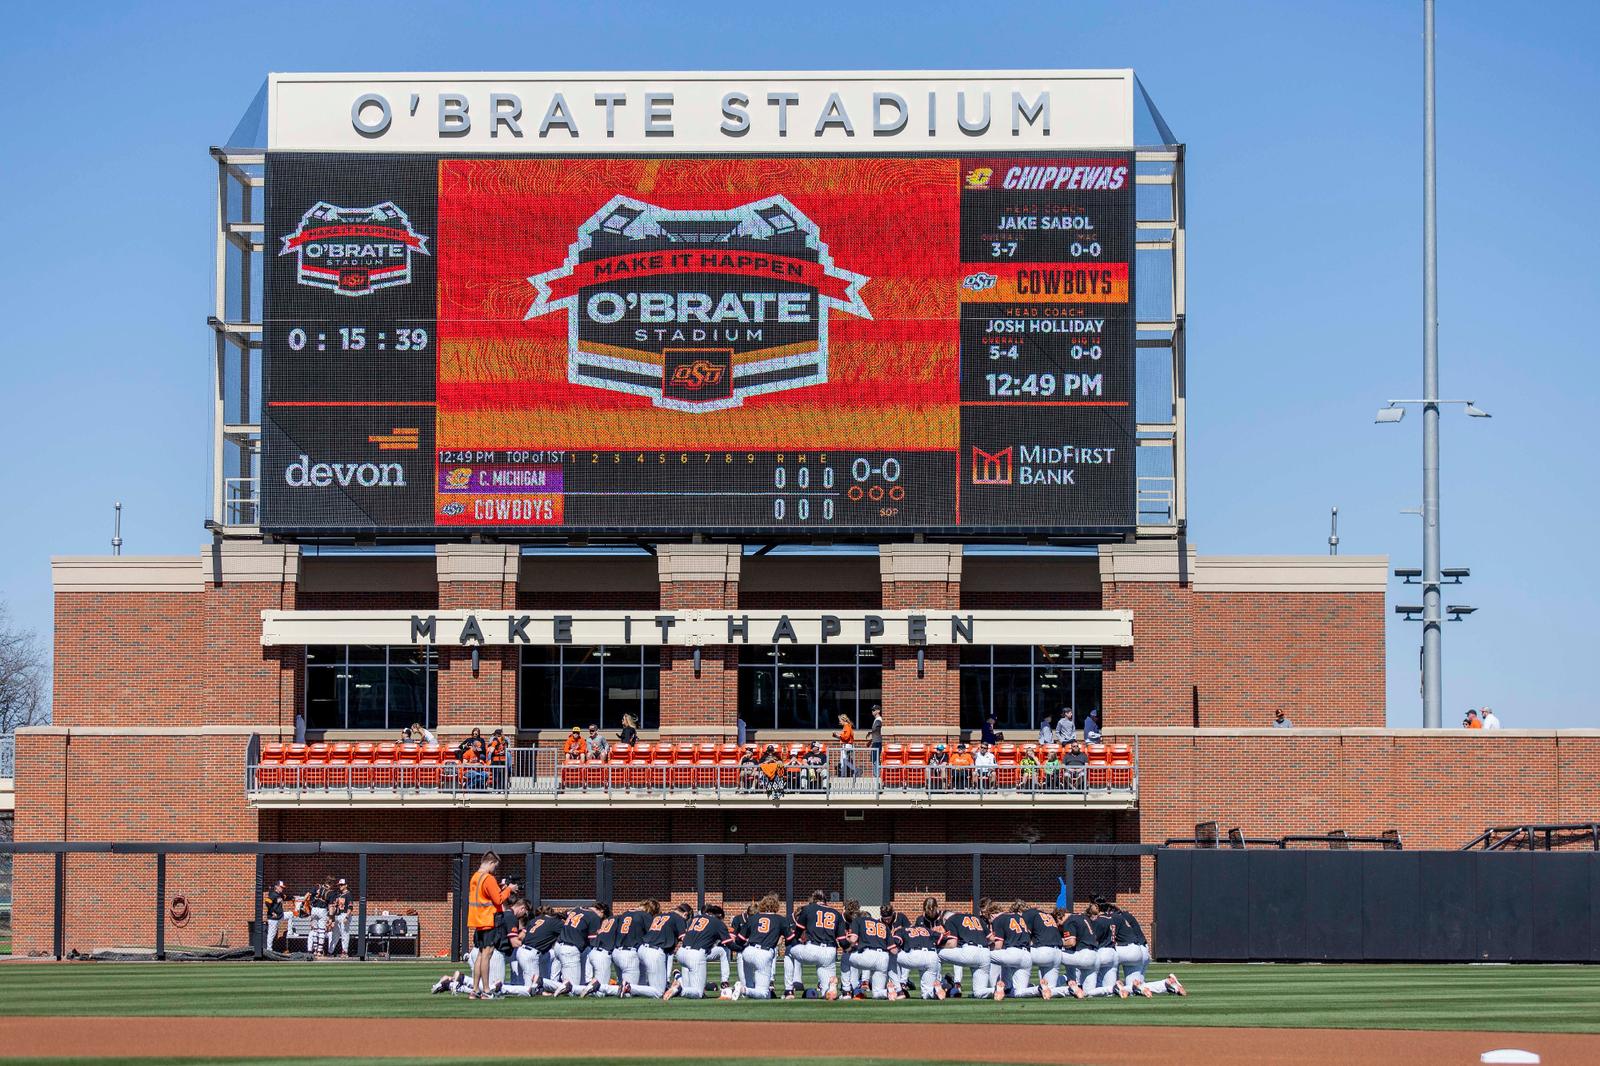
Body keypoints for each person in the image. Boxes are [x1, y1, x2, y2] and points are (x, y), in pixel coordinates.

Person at [467, 851, 517, 999]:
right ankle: (486, 990)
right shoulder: (488, 878)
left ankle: (475, 990)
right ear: (491, 862)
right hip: (488, 920)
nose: (495, 869)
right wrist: (509, 889)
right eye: (495, 865)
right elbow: (498, 900)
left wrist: (501, 886)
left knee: (480, 955)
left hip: (477, 920)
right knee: (486, 955)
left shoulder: (475, 876)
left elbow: (487, 895)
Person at [785, 890, 845, 999]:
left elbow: (798, 932)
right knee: (825, 990)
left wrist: (791, 942)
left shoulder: (808, 909)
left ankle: (789, 990)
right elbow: (842, 940)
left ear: (813, 900)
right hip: (830, 951)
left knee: (789, 950)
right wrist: (849, 947)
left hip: (812, 948)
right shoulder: (836, 913)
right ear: (825, 901)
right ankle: (830, 987)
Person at [735, 894, 792, 1000]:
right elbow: (790, 939)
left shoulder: (753, 918)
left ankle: (743, 990)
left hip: (748, 951)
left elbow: (739, 940)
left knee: (750, 987)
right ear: (776, 906)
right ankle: (744, 990)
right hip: (764, 953)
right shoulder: (781, 919)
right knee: (763, 993)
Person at [673, 904, 733, 1000]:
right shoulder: (715, 922)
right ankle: (724, 981)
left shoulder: (694, 919)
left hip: (682, 953)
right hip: (697, 954)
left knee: (689, 987)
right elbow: (727, 942)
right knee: (697, 993)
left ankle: (678, 979)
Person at [935, 902, 992, 998]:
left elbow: (952, 943)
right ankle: (997, 990)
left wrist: (937, 946)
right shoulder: (976, 918)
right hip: (985, 953)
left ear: (944, 918)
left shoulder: (950, 919)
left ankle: (937, 986)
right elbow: (991, 939)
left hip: (969, 951)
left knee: (936, 954)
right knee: (979, 992)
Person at [842, 900, 895, 999]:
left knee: (845, 957)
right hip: (883, 958)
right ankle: (887, 992)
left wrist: (846, 938)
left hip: (868, 955)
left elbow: (853, 940)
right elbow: (893, 950)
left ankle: (846, 991)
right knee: (877, 993)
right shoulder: (883, 925)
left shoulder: (858, 921)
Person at [890, 907, 945, 999]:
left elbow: (895, 943)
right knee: (926, 995)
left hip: (914, 956)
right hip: (932, 956)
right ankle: (934, 991)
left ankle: (898, 990)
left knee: (889, 957)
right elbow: (944, 939)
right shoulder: (927, 930)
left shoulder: (902, 930)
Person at [635, 900, 684, 999]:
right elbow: (684, 938)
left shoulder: (658, 917)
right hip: (654, 951)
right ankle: (628, 987)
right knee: (658, 992)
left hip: (640, 949)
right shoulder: (678, 918)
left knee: (643, 985)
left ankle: (625, 987)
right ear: (685, 914)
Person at [555, 900, 605, 996]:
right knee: (572, 988)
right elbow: (593, 941)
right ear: (601, 911)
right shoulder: (594, 916)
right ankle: (542, 983)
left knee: (560, 980)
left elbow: (562, 915)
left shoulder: (577, 909)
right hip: (569, 949)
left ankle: (545, 984)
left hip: (558, 945)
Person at [986, 901, 1033, 1001]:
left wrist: (988, 945)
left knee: (983, 955)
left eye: (989, 919)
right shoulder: (1019, 917)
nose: (990, 923)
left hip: (1013, 953)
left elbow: (998, 946)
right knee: (1019, 992)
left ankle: (998, 987)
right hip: (1027, 955)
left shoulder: (998, 919)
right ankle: (1038, 989)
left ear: (991, 915)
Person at [1022, 903, 1064, 999]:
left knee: (1016, 954)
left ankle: (1010, 987)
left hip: (1043, 952)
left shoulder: (1028, 913)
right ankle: (1069, 989)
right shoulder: (1046, 915)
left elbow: (1024, 937)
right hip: (1057, 953)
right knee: (1051, 989)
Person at [329, 877, 355, 957]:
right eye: (339, 885)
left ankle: (344, 951)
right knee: (335, 934)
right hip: (337, 915)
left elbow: (350, 907)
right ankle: (330, 951)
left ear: (346, 885)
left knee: (344, 934)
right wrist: (332, 918)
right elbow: (334, 906)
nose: (340, 886)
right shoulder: (338, 894)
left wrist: (347, 917)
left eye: (342, 885)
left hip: (344, 915)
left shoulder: (348, 894)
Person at [308, 876, 333, 957]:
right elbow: (331, 906)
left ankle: (315, 950)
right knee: (321, 931)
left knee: (315, 930)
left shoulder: (318, 887)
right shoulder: (330, 892)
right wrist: (331, 918)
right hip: (322, 910)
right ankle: (319, 951)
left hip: (314, 909)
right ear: (331, 883)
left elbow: (309, 896)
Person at [262, 879, 286, 953]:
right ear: (276, 887)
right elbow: (267, 902)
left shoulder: (280, 895)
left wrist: (293, 898)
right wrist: (272, 912)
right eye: (281, 887)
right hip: (273, 918)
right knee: (272, 933)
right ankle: (269, 949)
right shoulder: (273, 894)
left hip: (280, 916)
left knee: (291, 914)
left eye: (283, 887)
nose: (282, 888)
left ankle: (290, 932)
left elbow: (285, 897)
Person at [867, 705, 884, 773]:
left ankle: (876, 775)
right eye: (872, 710)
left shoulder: (879, 719)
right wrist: (870, 741)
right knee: (874, 759)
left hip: (877, 743)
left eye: (874, 710)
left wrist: (870, 732)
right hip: (875, 741)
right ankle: (876, 774)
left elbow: (878, 729)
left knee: (875, 760)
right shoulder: (876, 720)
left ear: (878, 711)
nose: (872, 711)